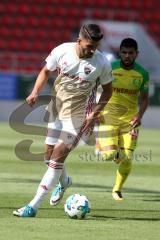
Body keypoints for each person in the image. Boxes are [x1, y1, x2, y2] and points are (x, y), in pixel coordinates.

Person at [13, 23, 113, 217]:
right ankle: (64, 181)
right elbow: (45, 71)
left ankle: (32, 206)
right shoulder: (62, 51)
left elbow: (108, 91)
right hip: (57, 107)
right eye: (88, 46)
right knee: (48, 156)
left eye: (96, 46)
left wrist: (95, 113)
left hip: (80, 114)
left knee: (58, 156)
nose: (92, 50)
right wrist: (35, 92)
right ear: (79, 41)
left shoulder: (101, 63)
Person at [96, 38, 149, 201]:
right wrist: (95, 110)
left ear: (136, 54)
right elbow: (97, 88)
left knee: (127, 160)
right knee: (109, 155)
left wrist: (139, 116)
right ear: (120, 53)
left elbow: (145, 98)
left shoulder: (142, 73)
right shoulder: (110, 68)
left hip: (130, 121)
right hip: (108, 117)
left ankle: (117, 190)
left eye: (130, 53)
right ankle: (105, 145)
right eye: (124, 52)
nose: (127, 56)